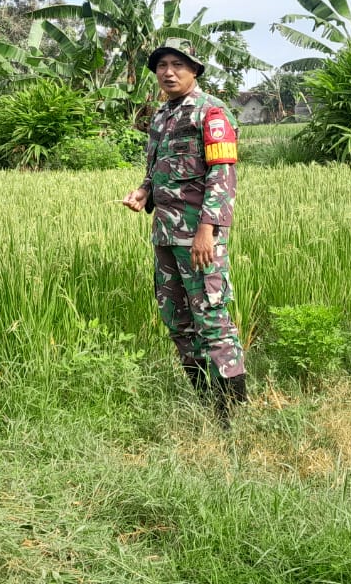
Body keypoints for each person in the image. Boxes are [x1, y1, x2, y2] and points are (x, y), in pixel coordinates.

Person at [122, 38, 247, 424]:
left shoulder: (211, 112)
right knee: (176, 318)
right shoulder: (162, 115)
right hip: (164, 234)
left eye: (178, 64)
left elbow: (222, 174)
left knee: (211, 317)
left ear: (194, 70)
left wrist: (208, 229)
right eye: (162, 65)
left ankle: (231, 412)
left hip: (198, 237)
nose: (168, 72)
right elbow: (157, 168)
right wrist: (143, 191)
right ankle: (205, 399)